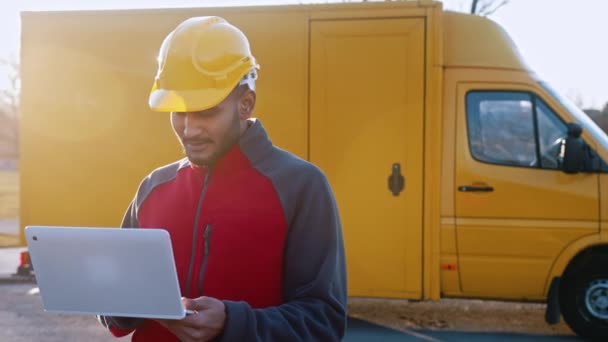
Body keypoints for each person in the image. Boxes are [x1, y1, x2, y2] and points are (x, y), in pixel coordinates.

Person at [97, 16, 348, 342]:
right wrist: (115, 301)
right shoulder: (153, 188)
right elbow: (115, 316)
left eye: (205, 111)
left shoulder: (301, 186)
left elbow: (323, 323)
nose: (189, 128)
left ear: (245, 104)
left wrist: (233, 323)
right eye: (179, 111)